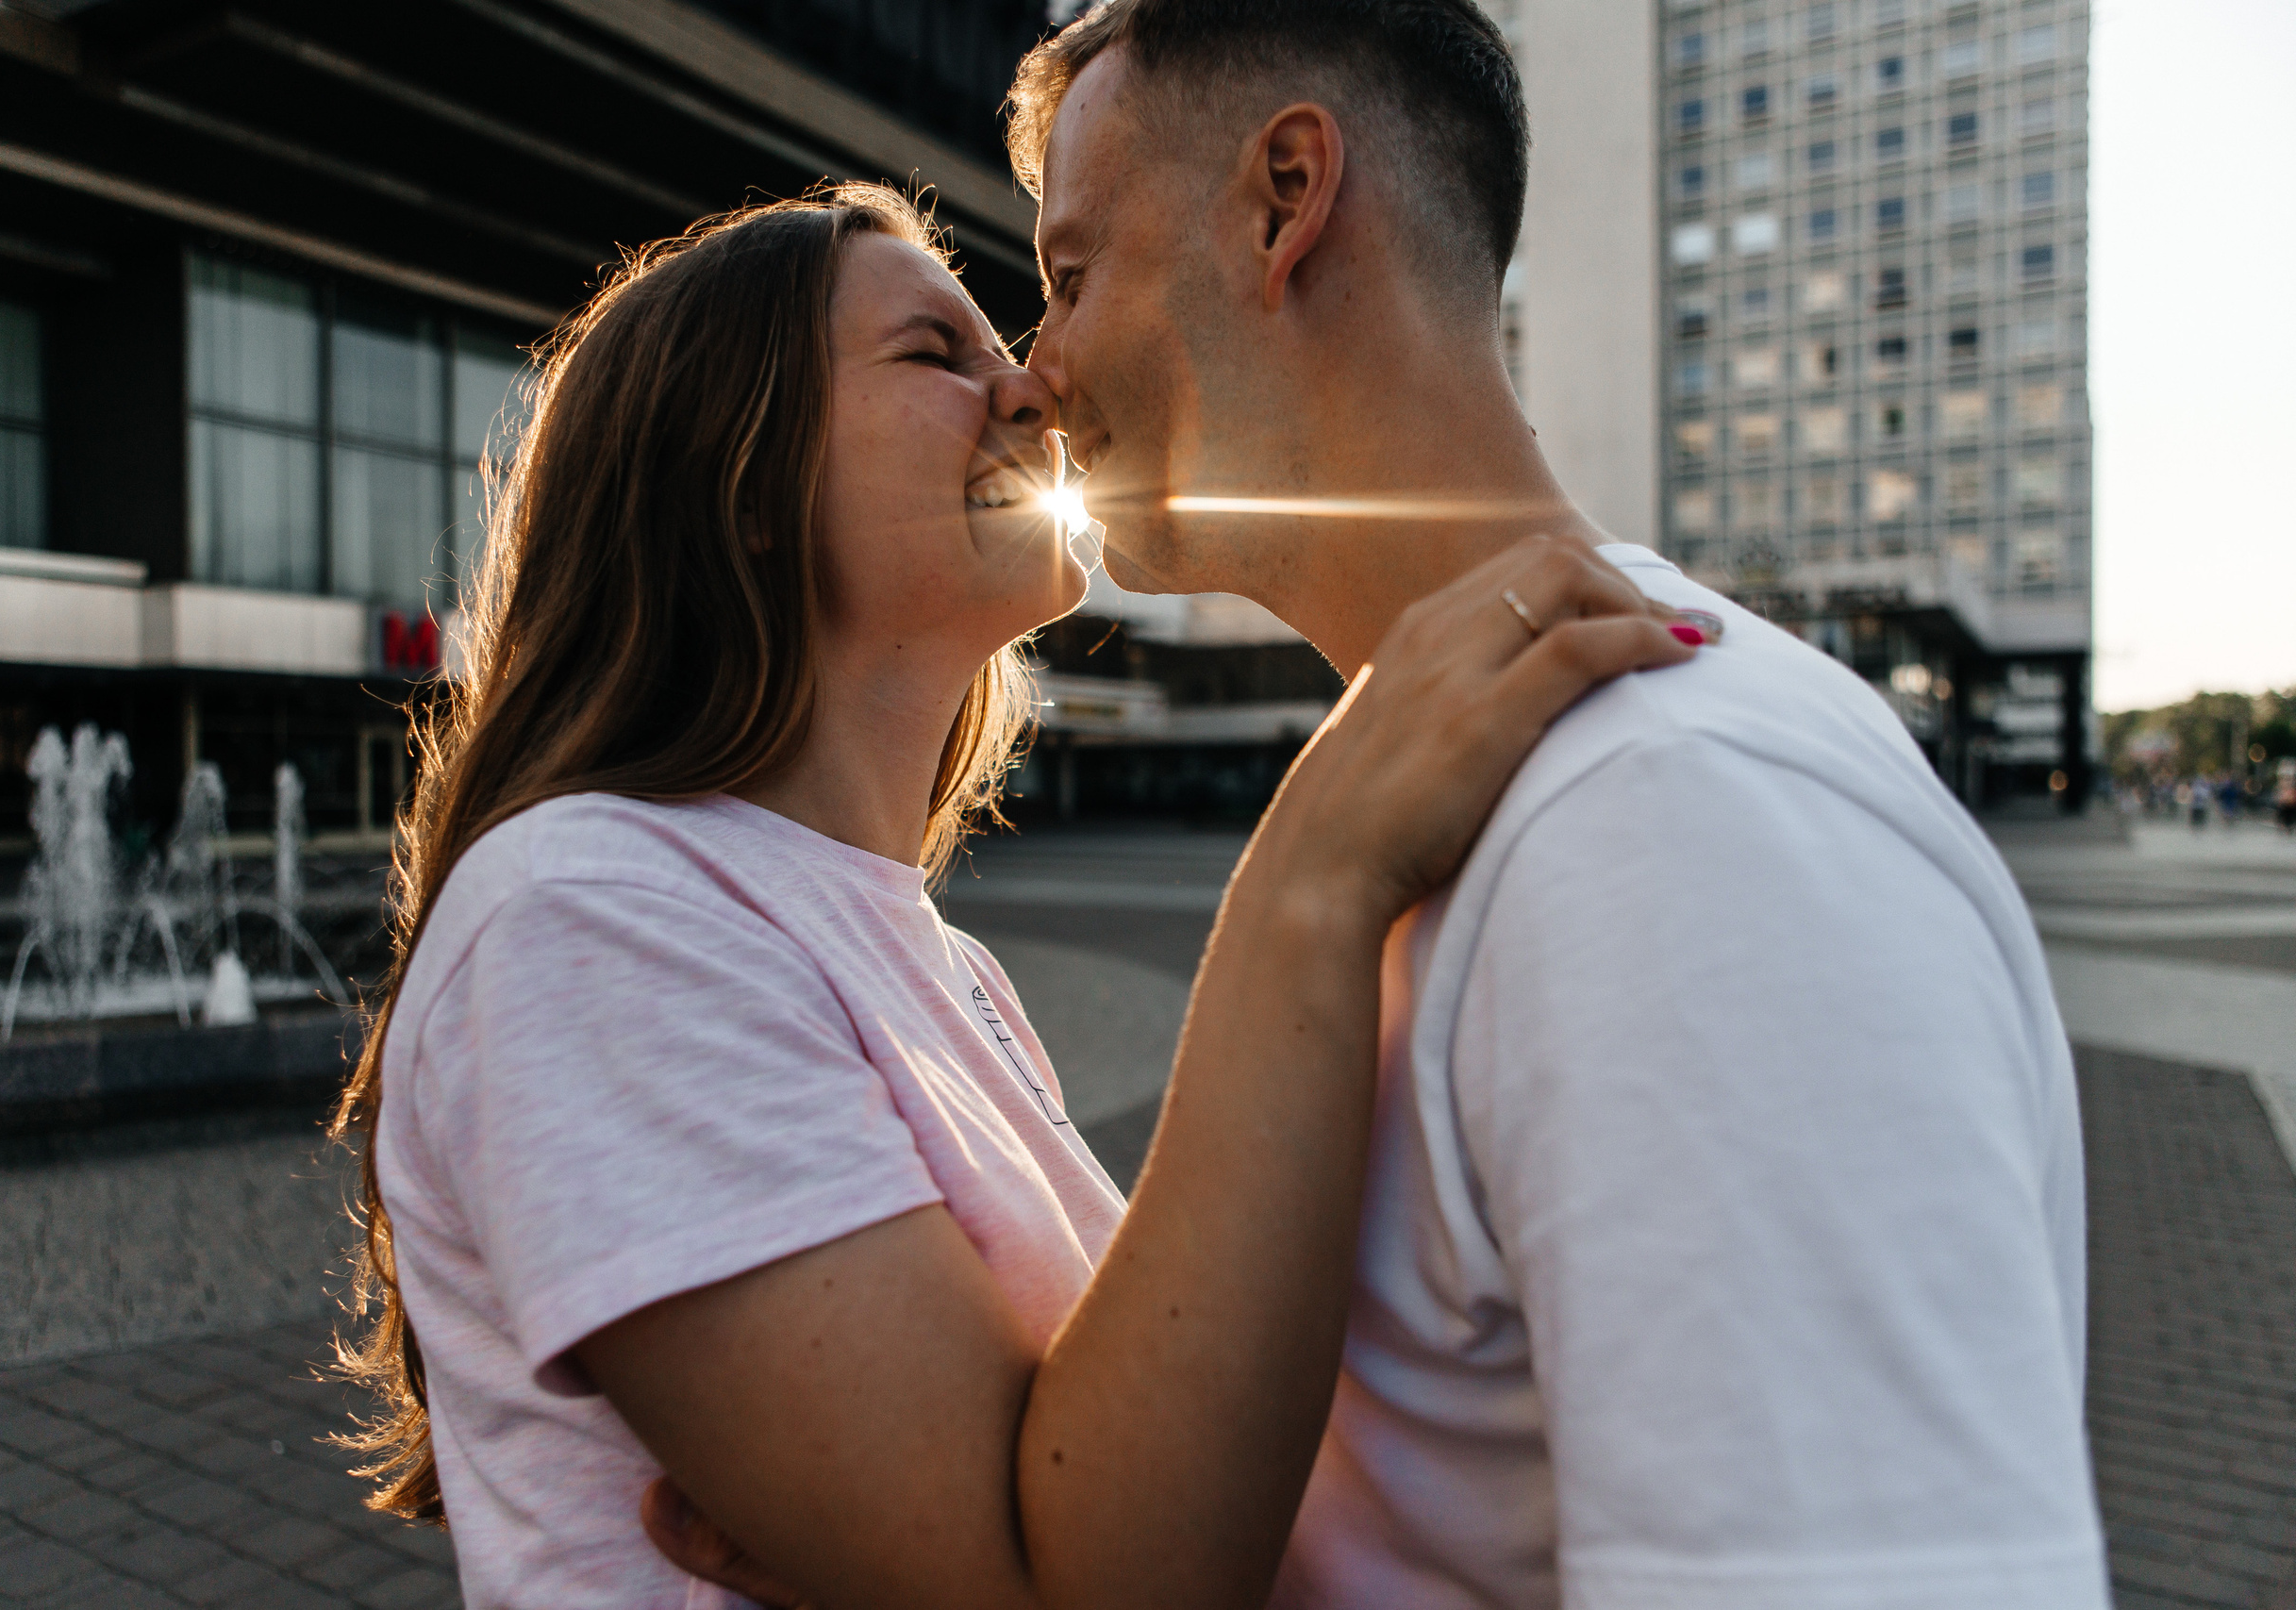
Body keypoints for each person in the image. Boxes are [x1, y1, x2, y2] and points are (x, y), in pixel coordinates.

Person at [649, 0, 2113, 1604]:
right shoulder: (1451, 793)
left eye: (1070, 276)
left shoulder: (1678, 816)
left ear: (1285, 198)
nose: (1040, 371)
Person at [326, 184, 1699, 1608]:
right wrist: (1315, 874)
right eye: (937, 355)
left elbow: (1144, 1450)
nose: (1035, 390)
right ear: (735, 484)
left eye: (1009, 344)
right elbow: (1071, 1575)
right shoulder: (587, 916)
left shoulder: (944, 968)